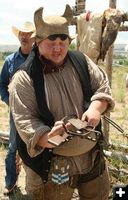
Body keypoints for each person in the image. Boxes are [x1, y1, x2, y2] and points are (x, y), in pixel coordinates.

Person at [9, 5, 115, 200]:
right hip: (53, 166)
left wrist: (95, 108)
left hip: (92, 159)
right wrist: (48, 136)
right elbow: (25, 121)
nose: (58, 48)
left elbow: (102, 86)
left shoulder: (81, 61)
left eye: (62, 41)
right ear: (38, 42)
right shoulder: (24, 78)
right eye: (51, 42)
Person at [0, 21, 35, 195]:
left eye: (27, 33)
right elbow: (2, 84)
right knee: (13, 147)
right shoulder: (10, 61)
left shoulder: (39, 59)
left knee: (35, 147)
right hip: (15, 114)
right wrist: (10, 101)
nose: (23, 36)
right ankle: (11, 182)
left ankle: (35, 185)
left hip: (37, 114)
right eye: (21, 33)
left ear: (33, 37)